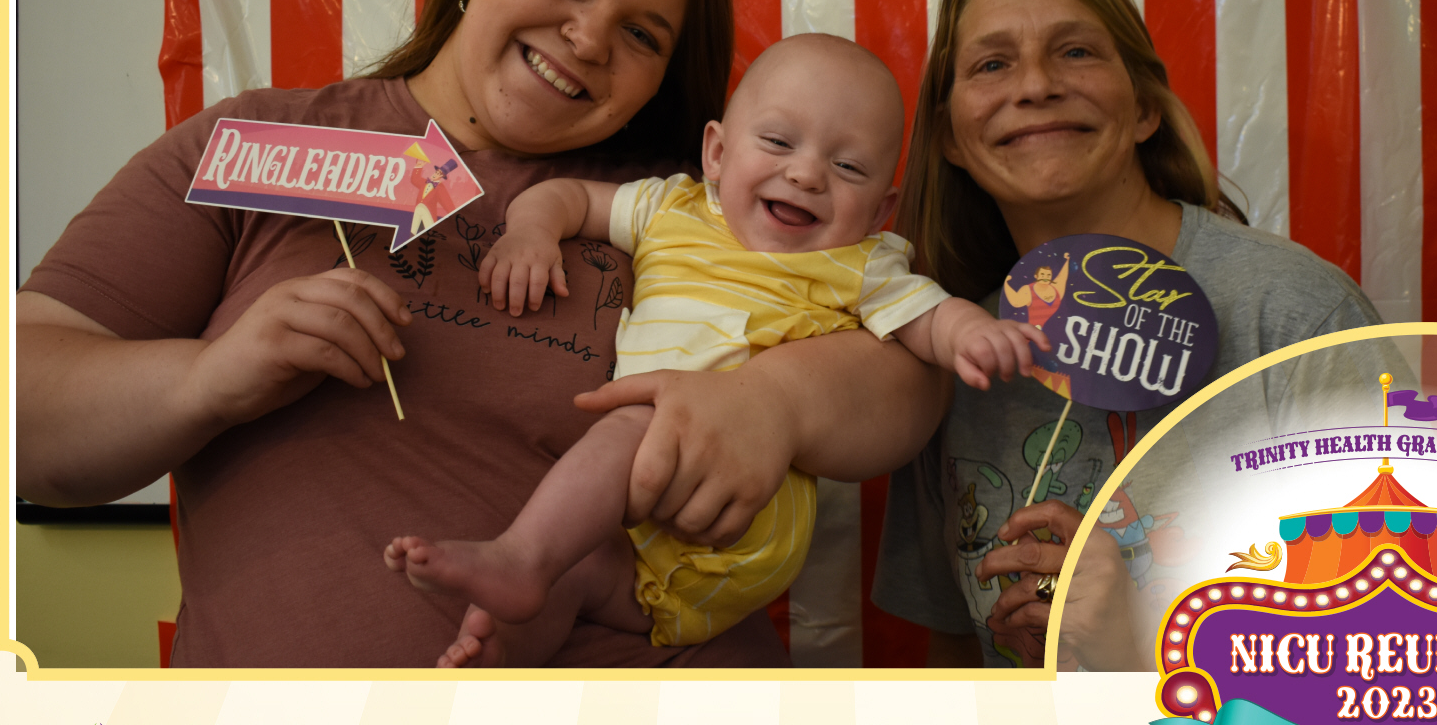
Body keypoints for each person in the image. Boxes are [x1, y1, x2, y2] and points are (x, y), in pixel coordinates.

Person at [17, 0, 948, 669]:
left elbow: (914, 376)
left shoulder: (707, 202)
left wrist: (776, 404)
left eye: (642, 34)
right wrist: (207, 380)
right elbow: (11, 415)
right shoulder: (259, 143)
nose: (588, 37)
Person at [383, 34, 1048, 665]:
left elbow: (926, 320)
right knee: (576, 577)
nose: (808, 173)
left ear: (880, 210)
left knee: (644, 420)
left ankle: (520, 556)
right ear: (718, 154)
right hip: (641, 536)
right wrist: (531, 231)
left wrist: (971, 333)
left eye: (847, 167)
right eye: (779, 141)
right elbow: (568, 199)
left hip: (740, 513)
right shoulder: (671, 207)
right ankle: (500, 646)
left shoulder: (859, 264)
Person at [871, 0, 1399, 671]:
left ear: (1146, 108)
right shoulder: (951, 356)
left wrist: (1138, 649)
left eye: (1077, 52)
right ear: (953, 138)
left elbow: (1411, 662)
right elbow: (956, 655)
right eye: (992, 64)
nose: (1035, 87)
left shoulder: (1295, 317)